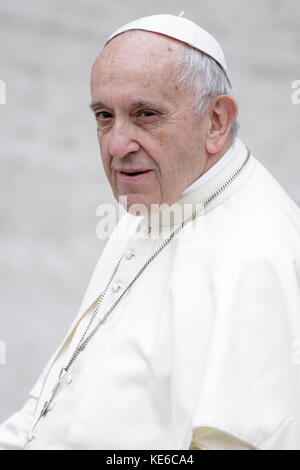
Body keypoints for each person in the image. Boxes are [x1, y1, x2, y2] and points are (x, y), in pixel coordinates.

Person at [1, 13, 300, 451]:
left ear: (216, 121)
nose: (117, 145)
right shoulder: (158, 195)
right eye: (105, 116)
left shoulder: (259, 256)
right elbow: (61, 387)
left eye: (145, 114)